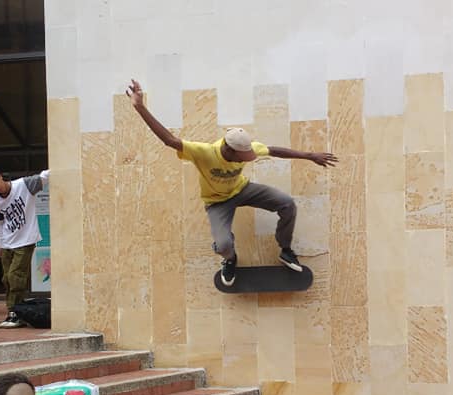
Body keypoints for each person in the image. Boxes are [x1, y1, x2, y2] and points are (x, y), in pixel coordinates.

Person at [126, 79, 338, 286]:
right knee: (224, 244)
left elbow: (275, 150)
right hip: (217, 202)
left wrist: (310, 155)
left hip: (242, 189)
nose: (245, 160)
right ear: (229, 150)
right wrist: (140, 107)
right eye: (241, 158)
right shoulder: (203, 152)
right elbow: (169, 140)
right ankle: (229, 259)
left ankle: (285, 250)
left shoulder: (245, 148)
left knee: (287, 203)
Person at [0, 169, 48, 329]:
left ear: (0, 177)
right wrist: (1, 244)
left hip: (26, 239)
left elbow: (45, 176)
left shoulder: (24, 185)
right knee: (7, 279)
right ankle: (16, 311)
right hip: (8, 241)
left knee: (15, 275)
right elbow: (2, 223)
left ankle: (15, 312)